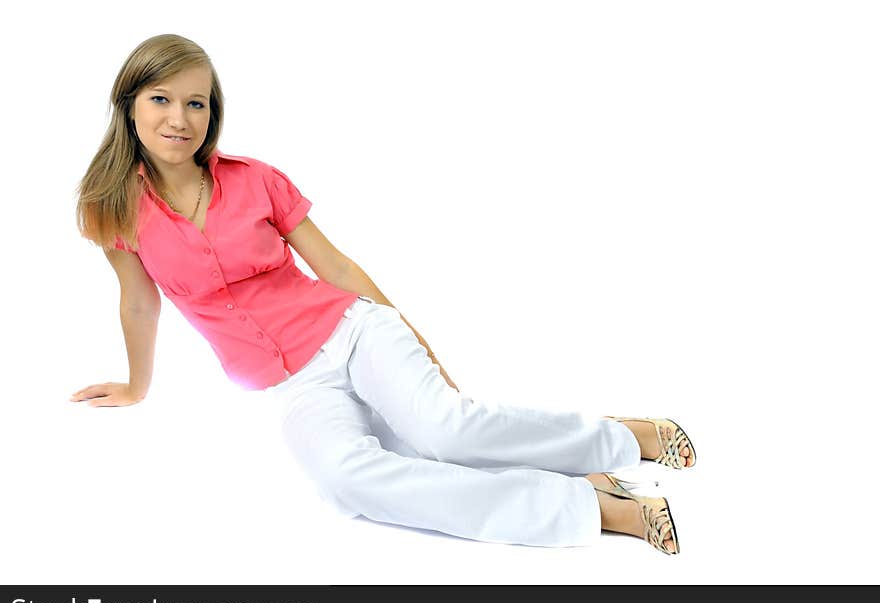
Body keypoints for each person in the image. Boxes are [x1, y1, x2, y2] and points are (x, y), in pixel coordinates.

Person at [70, 34, 696, 553]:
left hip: (352, 331)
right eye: (161, 99)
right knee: (347, 484)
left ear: (213, 113)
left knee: (446, 432)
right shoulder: (113, 211)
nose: (179, 119)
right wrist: (137, 385)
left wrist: (418, 345)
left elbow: (336, 267)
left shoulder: (256, 180)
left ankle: (625, 439)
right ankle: (584, 498)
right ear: (129, 105)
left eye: (197, 103)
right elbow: (138, 300)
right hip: (289, 385)